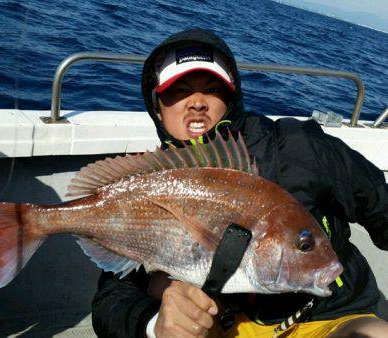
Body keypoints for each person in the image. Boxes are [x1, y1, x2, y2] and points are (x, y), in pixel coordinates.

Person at [92, 29, 388, 337]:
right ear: (157, 107)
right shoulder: (148, 181)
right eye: (178, 90)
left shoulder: (299, 147)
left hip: (328, 315)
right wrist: (155, 325)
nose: (196, 103)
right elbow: (110, 300)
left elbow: (380, 203)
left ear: (232, 99)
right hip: (222, 325)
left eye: (212, 89)